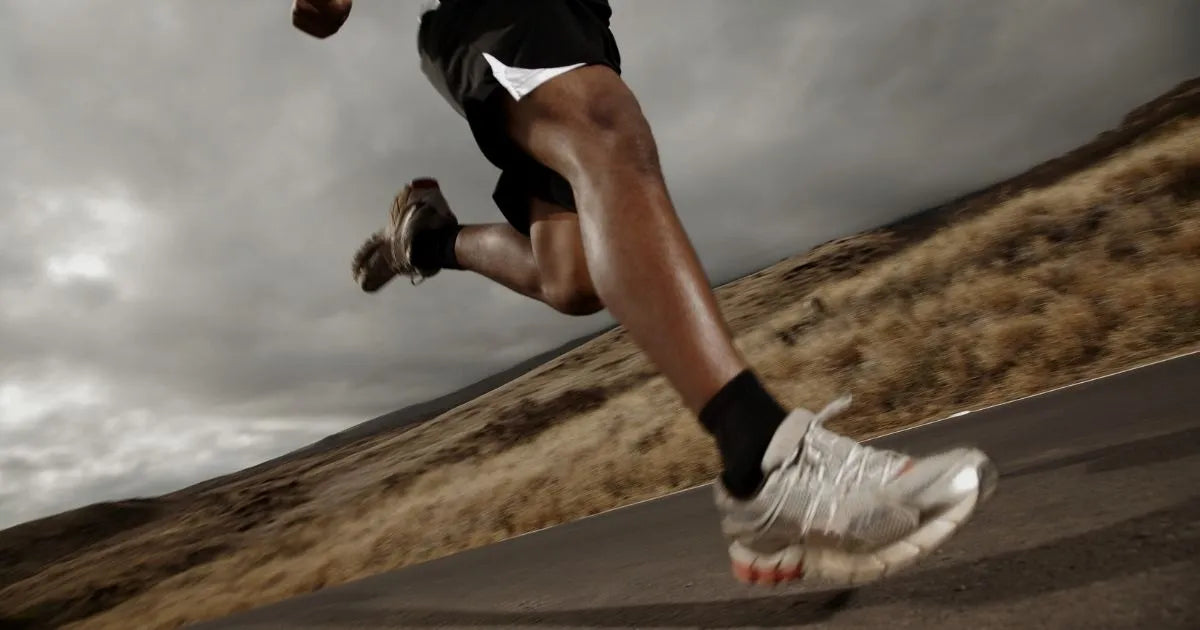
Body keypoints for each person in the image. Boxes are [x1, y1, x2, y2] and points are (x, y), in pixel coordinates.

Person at [293, 0, 997, 587]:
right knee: (604, 127)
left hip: (577, 16)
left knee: (574, 279)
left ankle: (430, 242)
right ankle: (761, 458)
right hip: (496, 11)